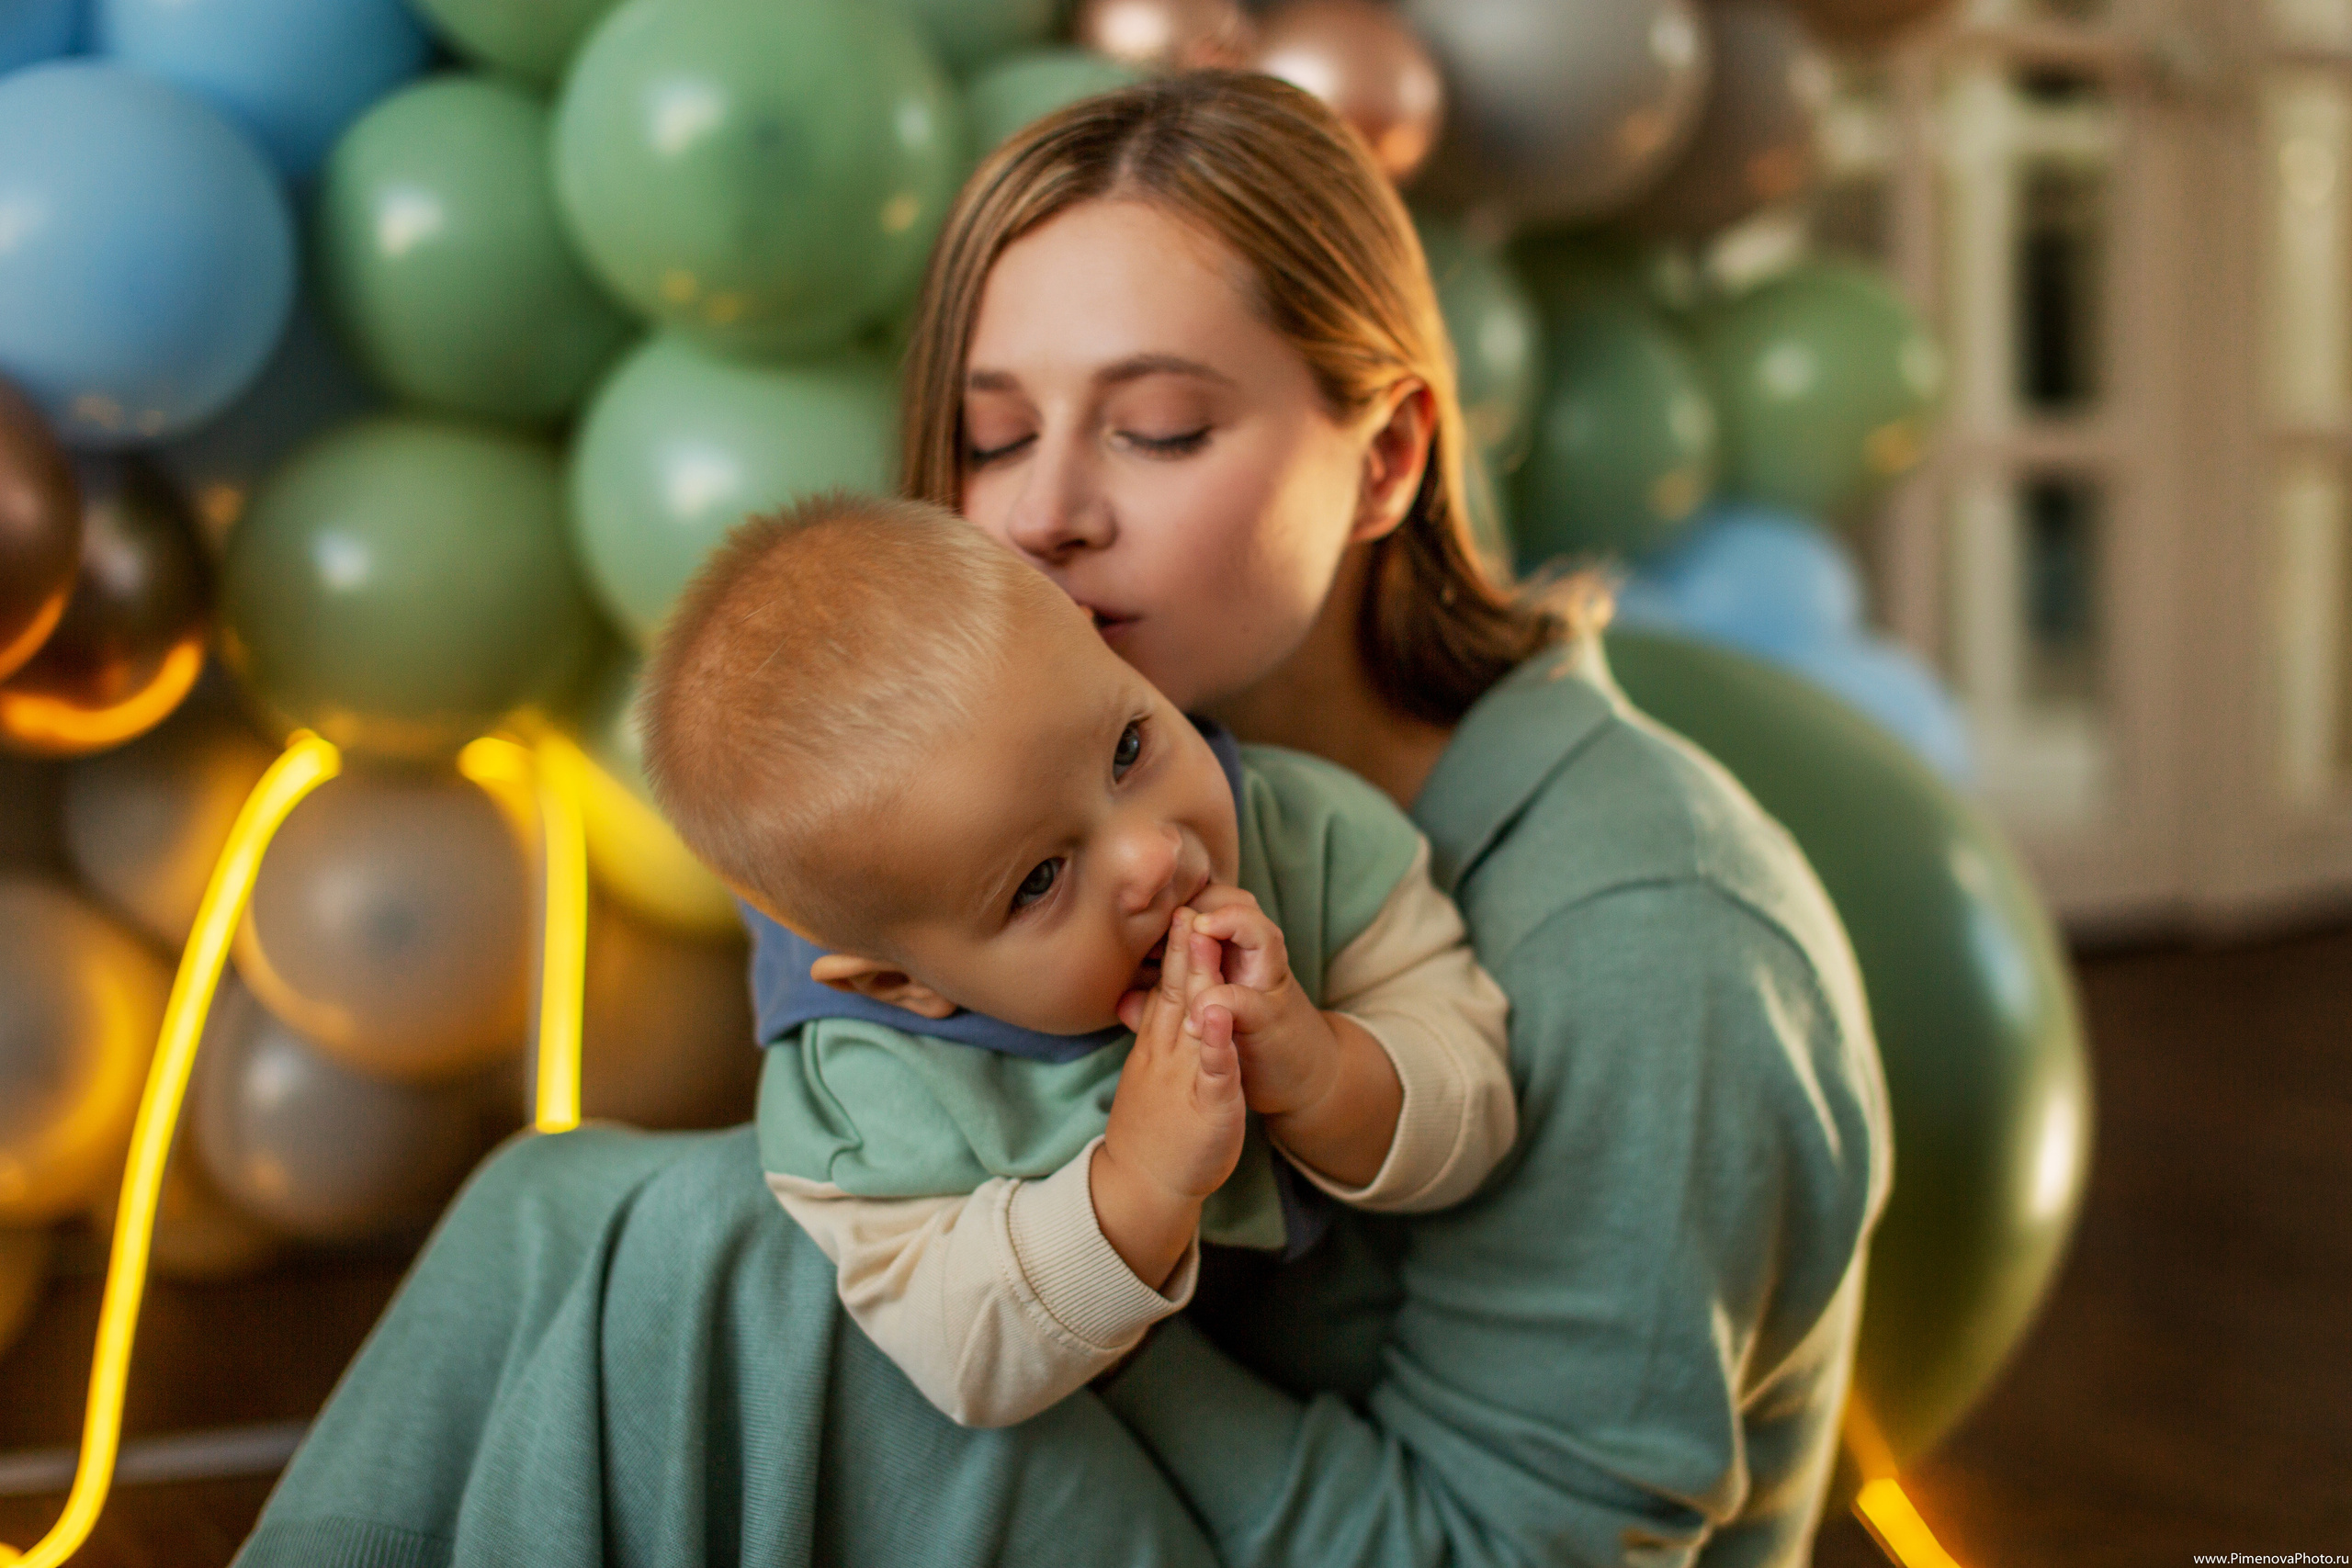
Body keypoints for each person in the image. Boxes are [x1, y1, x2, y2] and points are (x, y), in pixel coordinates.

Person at [236, 72, 1890, 1568]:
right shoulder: (1076, 816)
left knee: (734, 1268)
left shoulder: (1655, 928)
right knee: (566, 1211)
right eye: (993, 434)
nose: (1037, 515)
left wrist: (1036, 1280)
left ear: (1386, 459)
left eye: (1160, 429)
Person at [634, 492, 1513, 1429]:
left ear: (1099, 643)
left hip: (1399, 1369)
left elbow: (1480, 1114)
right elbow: (958, 1359)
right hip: (1127, 1461)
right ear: (906, 986)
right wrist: (1134, 1187)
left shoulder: (1312, 842)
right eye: (1040, 879)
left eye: (1129, 747)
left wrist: (1322, 1069)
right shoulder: (863, 1098)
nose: (1151, 858)